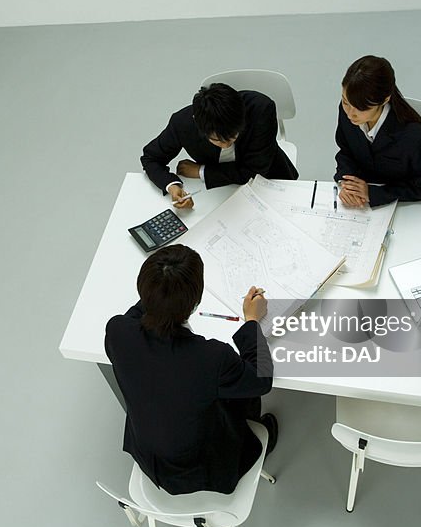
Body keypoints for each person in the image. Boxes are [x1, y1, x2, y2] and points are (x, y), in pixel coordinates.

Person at [104, 244, 278, 495]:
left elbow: (139, 317)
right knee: (242, 390)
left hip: (147, 455)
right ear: (196, 302)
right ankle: (257, 435)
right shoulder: (211, 359)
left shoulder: (117, 330)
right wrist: (252, 321)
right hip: (202, 471)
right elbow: (261, 379)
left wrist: (161, 291)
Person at [141, 83, 299, 209]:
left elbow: (255, 172)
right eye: (217, 140)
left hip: (268, 181)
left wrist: (201, 171)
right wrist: (172, 186)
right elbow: (151, 158)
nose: (226, 144)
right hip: (217, 194)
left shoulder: (261, 109)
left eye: (233, 136)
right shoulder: (182, 123)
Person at [333, 55, 421, 207]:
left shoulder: (412, 135)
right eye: (346, 102)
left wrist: (374, 193)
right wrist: (348, 183)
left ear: (384, 100)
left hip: (403, 207)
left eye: (361, 108)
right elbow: (346, 151)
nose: (350, 113)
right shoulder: (347, 112)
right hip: (361, 204)